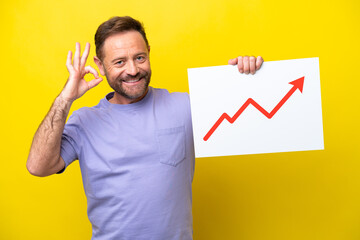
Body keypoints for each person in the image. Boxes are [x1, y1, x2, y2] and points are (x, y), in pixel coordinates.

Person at [27, 16, 264, 239]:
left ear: (149, 53)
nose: (132, 70)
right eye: (119, 62)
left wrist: (247, 77)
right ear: (100, 65)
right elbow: (38, 166)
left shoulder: (184, 106)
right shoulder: (84, 122)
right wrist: (65, 98)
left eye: (139, 58)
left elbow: (251, 116)